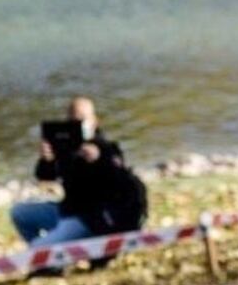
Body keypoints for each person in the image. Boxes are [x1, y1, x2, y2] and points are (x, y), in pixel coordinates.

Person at [10, 97, 148, 261]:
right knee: (20, 212)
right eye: (73, 121)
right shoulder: (64, 147)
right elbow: (45, 176)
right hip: (67, 210)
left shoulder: (106, 148)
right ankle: (56, 260)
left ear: (94, 122)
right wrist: (46, 159)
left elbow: (119, 177)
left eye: (83, 120)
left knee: (36, 251)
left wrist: (99, 159)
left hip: (91, 219)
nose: (78, 124)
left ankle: (53, 256)